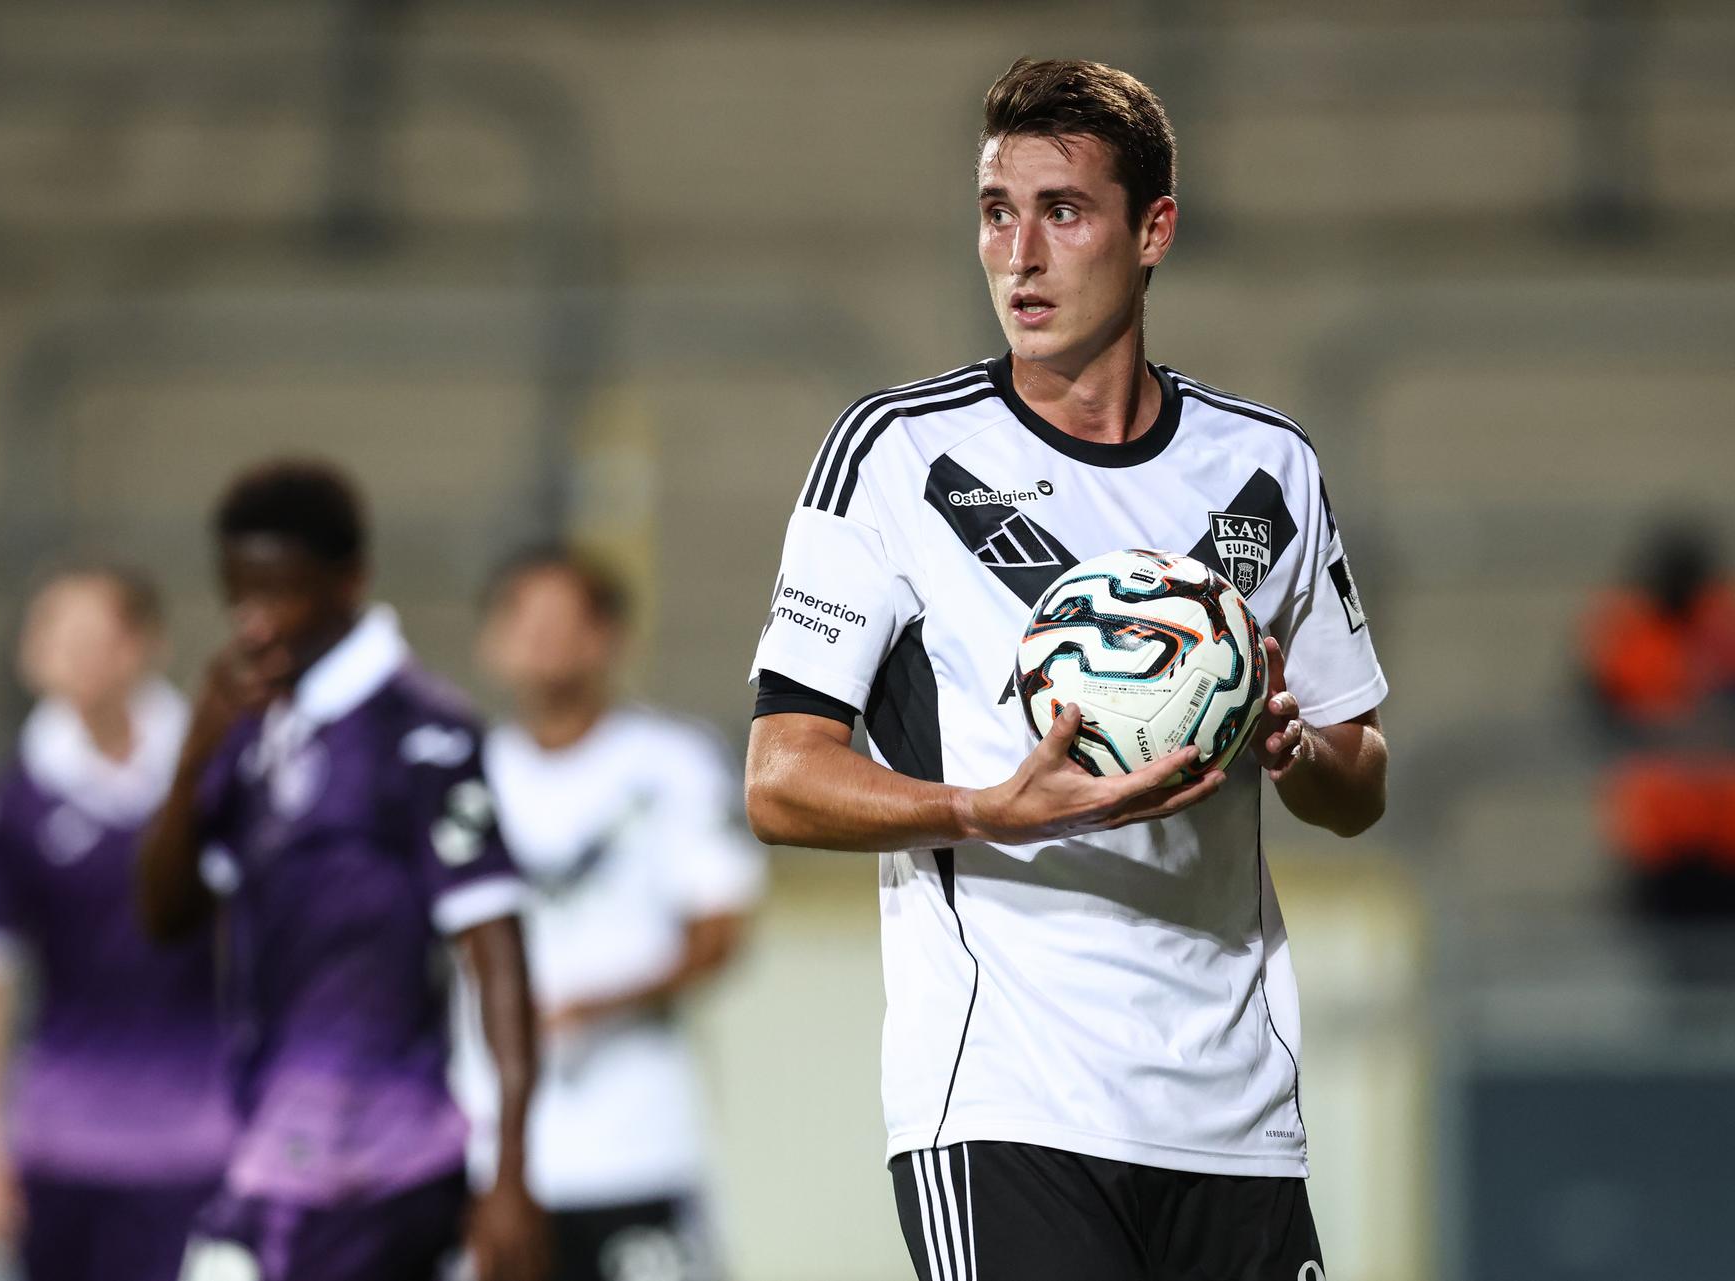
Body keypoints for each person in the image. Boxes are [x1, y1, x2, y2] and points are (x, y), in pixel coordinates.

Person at [743, 58, 1389, 1281]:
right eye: (997, 210)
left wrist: (1299, 752)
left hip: (1236, 1117)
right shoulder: (895, 455)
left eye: (1064, 210)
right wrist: (981, 811)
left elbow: (1362, 781)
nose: (1020, 255)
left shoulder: (1268, 470)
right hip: (1009, 1104)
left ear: (1153, 232)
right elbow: (780, 780)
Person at [137, 460, 548, 1281]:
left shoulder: (421, 732)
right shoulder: (248, 726)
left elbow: (494, 944)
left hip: (383, 1167)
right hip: (261, 1156)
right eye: (237, 597)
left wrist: (510, 1174)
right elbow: (166, 914)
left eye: (277, 596)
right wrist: (191, 757)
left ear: (349, 579)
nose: (252, 625)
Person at [457, 546, 764, 1281]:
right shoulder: (461, 774)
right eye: (521, 618)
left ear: (610, 636)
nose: (542, 638)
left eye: (564, 619)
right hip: (488, 1153)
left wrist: (595, 1006)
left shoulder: (672, 762)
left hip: (638, 1144)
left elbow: (720, 932)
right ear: (490, 641)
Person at [0, 565, 233, 1281]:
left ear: (145, 645)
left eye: (91, 634)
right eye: (52, 633)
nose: (69, 651)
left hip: (205, 1139)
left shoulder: (220, 775)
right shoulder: (10, 802)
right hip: (62, 1145)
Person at [1582, 522, 1735, 982]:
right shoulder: (1628, 631)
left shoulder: (1722, 627)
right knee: (1667, 971)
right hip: (1659, 833)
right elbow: (1594, 707)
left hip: (1723, 830)